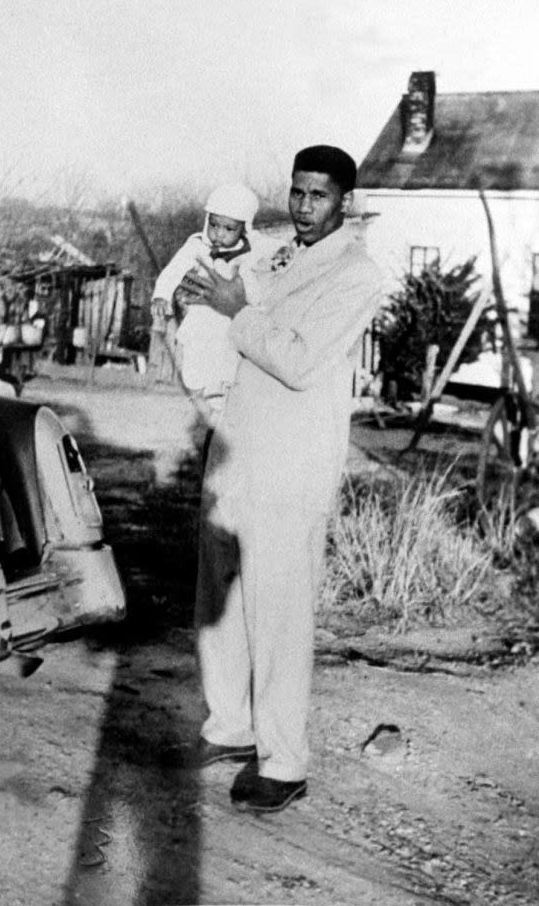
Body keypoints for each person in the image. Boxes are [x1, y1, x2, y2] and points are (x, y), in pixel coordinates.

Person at [178, 145, 383, 813]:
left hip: (291, 469)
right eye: (297, 192)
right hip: (238, 455)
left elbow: (295, 361)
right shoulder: (274, 256)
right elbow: (236, 316)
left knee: (280, 616)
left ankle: (285, 762)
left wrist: (237, 312)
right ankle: (229, 727)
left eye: (318, 195)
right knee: (222, 604)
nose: (303, 205)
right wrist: (205, 303)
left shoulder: (356, 275)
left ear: (343, 201)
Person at [151, 183, 277, 422]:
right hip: (203, 315)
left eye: (228, 228)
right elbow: (174, 270)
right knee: (196, 358)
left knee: (228, 362)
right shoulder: (197, 246)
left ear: (244, 229)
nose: (218, 233)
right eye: (214, 225)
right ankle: (200, 397)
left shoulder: (253, 249)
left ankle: (221, 403)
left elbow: (275, 249)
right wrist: (161, 294)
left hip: (231, 319)